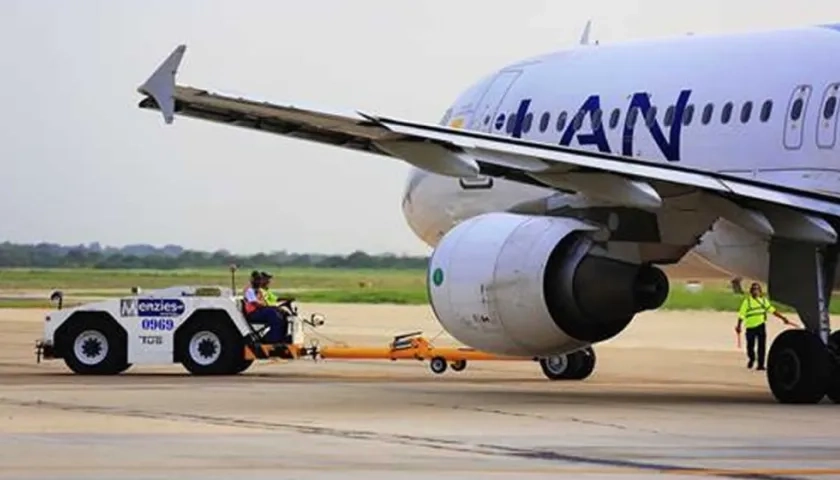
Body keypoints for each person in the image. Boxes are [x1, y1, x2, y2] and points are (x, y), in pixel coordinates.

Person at [735, 282, 795, 370]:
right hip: (750, 327)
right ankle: (752, 358)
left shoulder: (763, 301)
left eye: (757, 289)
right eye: (754, 289)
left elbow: (772, 310)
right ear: (751, 291)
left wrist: (783, 318)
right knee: (750, 346)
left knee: (761, 346)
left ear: (760, 291)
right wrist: (738, 326)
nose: (756, 291)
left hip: (761, 326)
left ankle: (760, 365)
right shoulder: (747, 302)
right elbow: (741, 315)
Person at [242, 270, 286, 343]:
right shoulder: (249, 290)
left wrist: (275, 308)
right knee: (272, 314)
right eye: (257, 279)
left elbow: (264, 302)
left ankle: (279, 337)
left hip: (259, 311)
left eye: (259, 279)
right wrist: (267, 306)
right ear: (252, 280)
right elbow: (255, 302)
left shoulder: (259, 290)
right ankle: (273, 339)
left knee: (279, 312)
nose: (259, 281)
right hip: (253, 313)